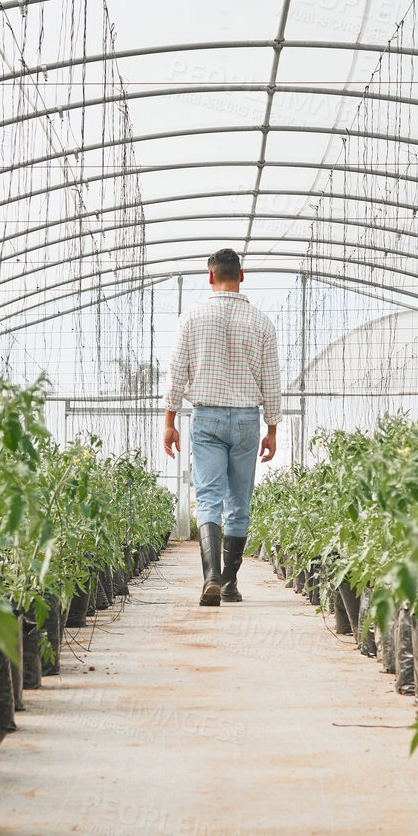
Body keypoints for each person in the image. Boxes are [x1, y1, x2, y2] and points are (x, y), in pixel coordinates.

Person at [162, 248, 282, 606]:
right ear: (241, 275)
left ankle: (210, 576)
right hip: (246, 419)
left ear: (210, 276)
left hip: (207, 417)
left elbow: (176, 372)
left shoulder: (192, 318)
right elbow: (271, 381)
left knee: (209, 497)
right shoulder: (262, 322)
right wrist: (272, 429)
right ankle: (229, 583)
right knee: (239, 502)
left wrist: (170, 422)